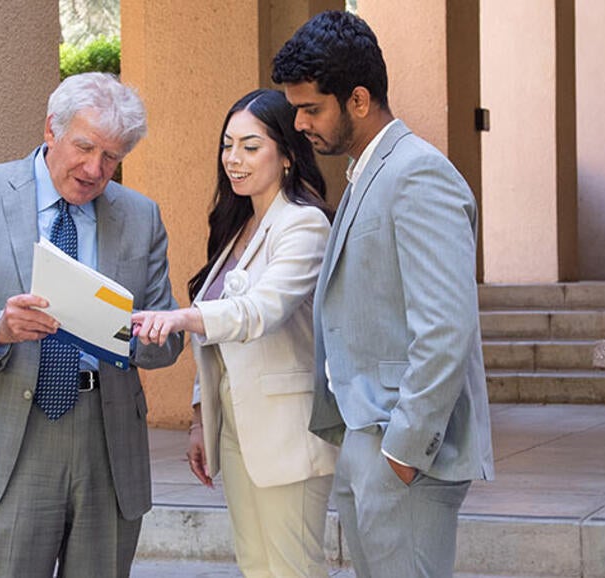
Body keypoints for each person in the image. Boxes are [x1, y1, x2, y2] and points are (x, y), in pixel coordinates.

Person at [0, 72, 184, 577]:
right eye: (85, 147)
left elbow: (168, 339)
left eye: (113, 157)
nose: (95, 168)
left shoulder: (141, 216)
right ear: (50, 130)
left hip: (107, 432)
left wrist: (132, 331)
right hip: (8, 434)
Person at [272, 10, 494, 578]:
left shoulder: (418, 174)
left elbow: (445, 326)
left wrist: (401, 451)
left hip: (404, 454)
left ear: (360, 100)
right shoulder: (367, 172)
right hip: (368, 443)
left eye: (311, 108)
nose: (299, 124)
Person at [129, 88, 337, 578]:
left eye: (250, 145)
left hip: (287, 430)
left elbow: (260, 311)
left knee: (293, 569)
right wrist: (203, 420)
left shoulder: (304, 225)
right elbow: (217, 342)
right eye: (227, 145)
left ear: (287, 154)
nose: (233, 159)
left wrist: (182, 317)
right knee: (256, 566)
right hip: (237, 430)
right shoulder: (237, 227)